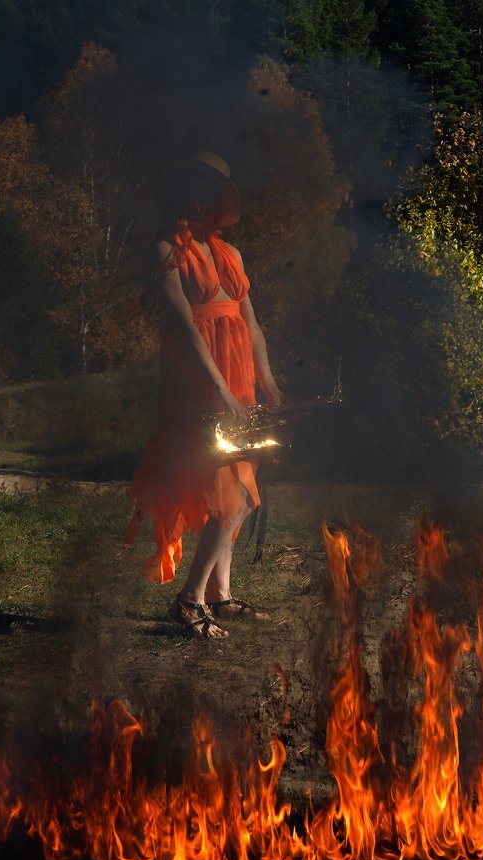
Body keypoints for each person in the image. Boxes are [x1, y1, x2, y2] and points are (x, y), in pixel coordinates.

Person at [125, 151, 283, 639]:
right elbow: (186, 330)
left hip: (238, 379)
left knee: (240, 483)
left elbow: (252, 327)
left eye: (207, 193)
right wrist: (218, 391)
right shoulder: (166, 249)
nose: (198, 201)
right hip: (196, 379)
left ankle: (220, 594)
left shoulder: (231, 255)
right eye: (191, 190)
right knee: (229, 492)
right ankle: (190, 600)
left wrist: (269, 383)